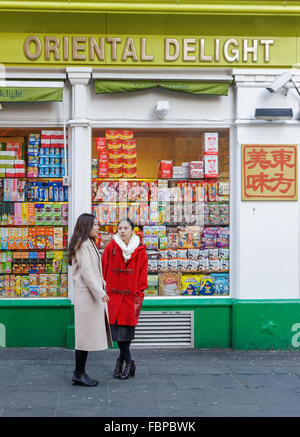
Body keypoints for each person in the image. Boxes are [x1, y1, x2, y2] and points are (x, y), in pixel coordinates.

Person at [68, 213, 112, 386]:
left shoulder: (88, 243)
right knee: (83, 337)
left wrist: (102, 284)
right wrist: (100, 291)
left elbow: (93, 269)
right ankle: (78, 374)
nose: (98, 227)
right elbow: (87, 272)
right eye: (95, 225)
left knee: (85, 336)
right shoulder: (84, 244)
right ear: (87, 226)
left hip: (89, 295)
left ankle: (79, 372)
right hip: (87, 296)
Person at [101, 219, 148, 380]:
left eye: (126, 228)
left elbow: (142, 275)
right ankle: (128, 362)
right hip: (113, 296)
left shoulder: (140, 251)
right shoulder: (110, 248)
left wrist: (138, 294)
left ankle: (123, 362)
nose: (122, 231)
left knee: (126, 333)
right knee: (119, 334)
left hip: (131, 297)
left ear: (132, 230)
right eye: (120, 228)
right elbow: (103, 270)